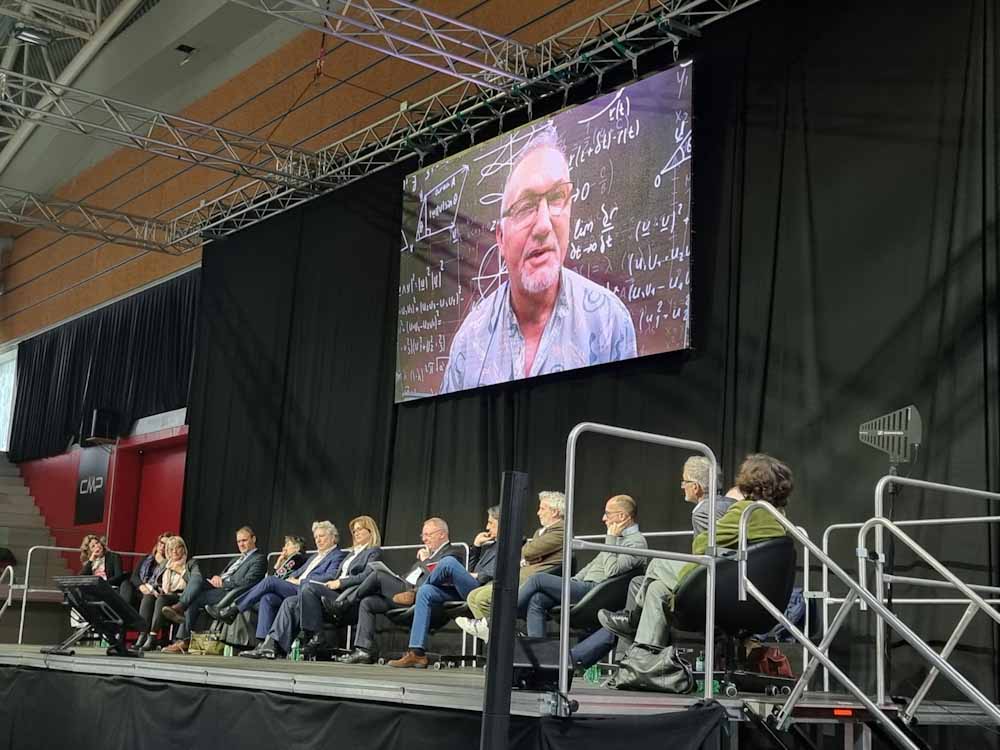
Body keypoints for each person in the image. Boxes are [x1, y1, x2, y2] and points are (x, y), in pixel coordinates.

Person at [440, 124, 636, 393]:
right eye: (525, 207)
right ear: (500, 238)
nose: (544, 225)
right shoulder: (469, 341)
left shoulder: (609, 321)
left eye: (557, 198)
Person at [599, 453, 793, 656]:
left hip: (720, 587)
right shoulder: (779, 518)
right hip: (748, 591)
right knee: (657, 588)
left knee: (657, 564)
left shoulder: (744, 511)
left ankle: (632, 621)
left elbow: (703, 546)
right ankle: (644, 658)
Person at [336, 517, 464, 664]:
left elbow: (437, 578)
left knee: (377, 575)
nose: (425, 539)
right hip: (402, 594)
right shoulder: (428, 555)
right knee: (368, 602)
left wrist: (425, 560)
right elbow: (409, 577)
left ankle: (346, 604)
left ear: (442, 534)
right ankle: (363, 650)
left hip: (420, 597)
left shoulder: (452, 553)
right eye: (423, 535)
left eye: (429, 535)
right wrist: (396, 578)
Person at [517, 494, 647, 638]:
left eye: (607, 514)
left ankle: (502, 615)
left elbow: (612, 571)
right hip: (584, 586)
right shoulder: (619, 537)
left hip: (596, 592)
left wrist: (610, 538)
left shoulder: (636, 542)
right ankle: (540, 653)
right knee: (538, 599)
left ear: (622, 516)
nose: (603, 518)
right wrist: (574, 581)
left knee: (538, 579)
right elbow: (593, 565)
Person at [388, 506, 501, 668]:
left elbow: (498, 572)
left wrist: (477, 576)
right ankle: (417, 653)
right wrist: (476, 547)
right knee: (426, 592)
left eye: (491, 523)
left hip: (483, 590)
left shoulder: (511, 544)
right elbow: (470, 568)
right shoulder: (490, 545)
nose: (487, 527)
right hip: (466, 589)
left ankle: (415, 592)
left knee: (447, 562)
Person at [212, 521, 346, 656]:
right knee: (267, 598)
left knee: (270, 581)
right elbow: (295, 573)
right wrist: (292, 578)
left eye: (321, 536)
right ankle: (265, 645)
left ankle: (233, 610)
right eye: (316, 537)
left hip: (309, 591)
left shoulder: (337, 555)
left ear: (333, 537)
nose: (318, 540)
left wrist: (300, 581)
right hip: (295, 588)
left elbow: (330, 576)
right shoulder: (314, 558)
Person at [456, 490, 566, 643]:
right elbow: (528, 556)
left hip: (531, 582)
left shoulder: (561, 530)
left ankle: (503, 640)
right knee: (473, 596)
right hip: (521, 578)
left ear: (554, 512)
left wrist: (530, 557)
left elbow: (527, 552)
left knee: (481, 598)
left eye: (542, 508)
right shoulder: (541, 532)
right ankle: (503, 640)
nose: (538, 512)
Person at [160, 526, 267, 653]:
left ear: (253, 539)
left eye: (244, 540)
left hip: (233, 593)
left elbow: (249, 582)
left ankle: (182, 625)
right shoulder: (236, 559)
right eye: (238, 541)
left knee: (195, 598)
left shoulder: (259, 558)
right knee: (197, 579)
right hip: (221, 587)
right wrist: (217, 577)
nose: (241, 544)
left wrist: (224, 583)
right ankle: (181, 609)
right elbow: (224, 575)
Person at [298, 516, 383, 658]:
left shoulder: (373, 552)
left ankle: (317, 637)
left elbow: (367, 576)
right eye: (354, 531)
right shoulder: (351, 554)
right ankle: (308, 639)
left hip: (350, 598)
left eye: (360, 529)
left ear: (371, 531)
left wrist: (340, 582)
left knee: (309, 588)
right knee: (297, 598)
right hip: (336, 592)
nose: (356, 533)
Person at [137, 536, 199, 651]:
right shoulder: (165, 563)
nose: (174, 551)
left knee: (161, 600)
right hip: (166, 593)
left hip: (182, 596)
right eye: (171, 549)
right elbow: (156, 581)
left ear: (183, 549)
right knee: (148, 598)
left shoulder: (191, 563)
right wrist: (155, 590)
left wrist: (180, 570)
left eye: (177, 548)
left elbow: (195, 582)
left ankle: (153, 637)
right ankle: (143, 634)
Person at [122, 532, 172, 610]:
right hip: (140, 587)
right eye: (161, 543)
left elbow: (162, 583)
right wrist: (142, 586)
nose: (162, 546)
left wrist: (150, 589)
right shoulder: (146, 558)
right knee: (126, 584)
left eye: (166, 545)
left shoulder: (169, 564)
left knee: (148, 597)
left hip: (153, 592)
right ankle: (124, 612)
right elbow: (134, 576)